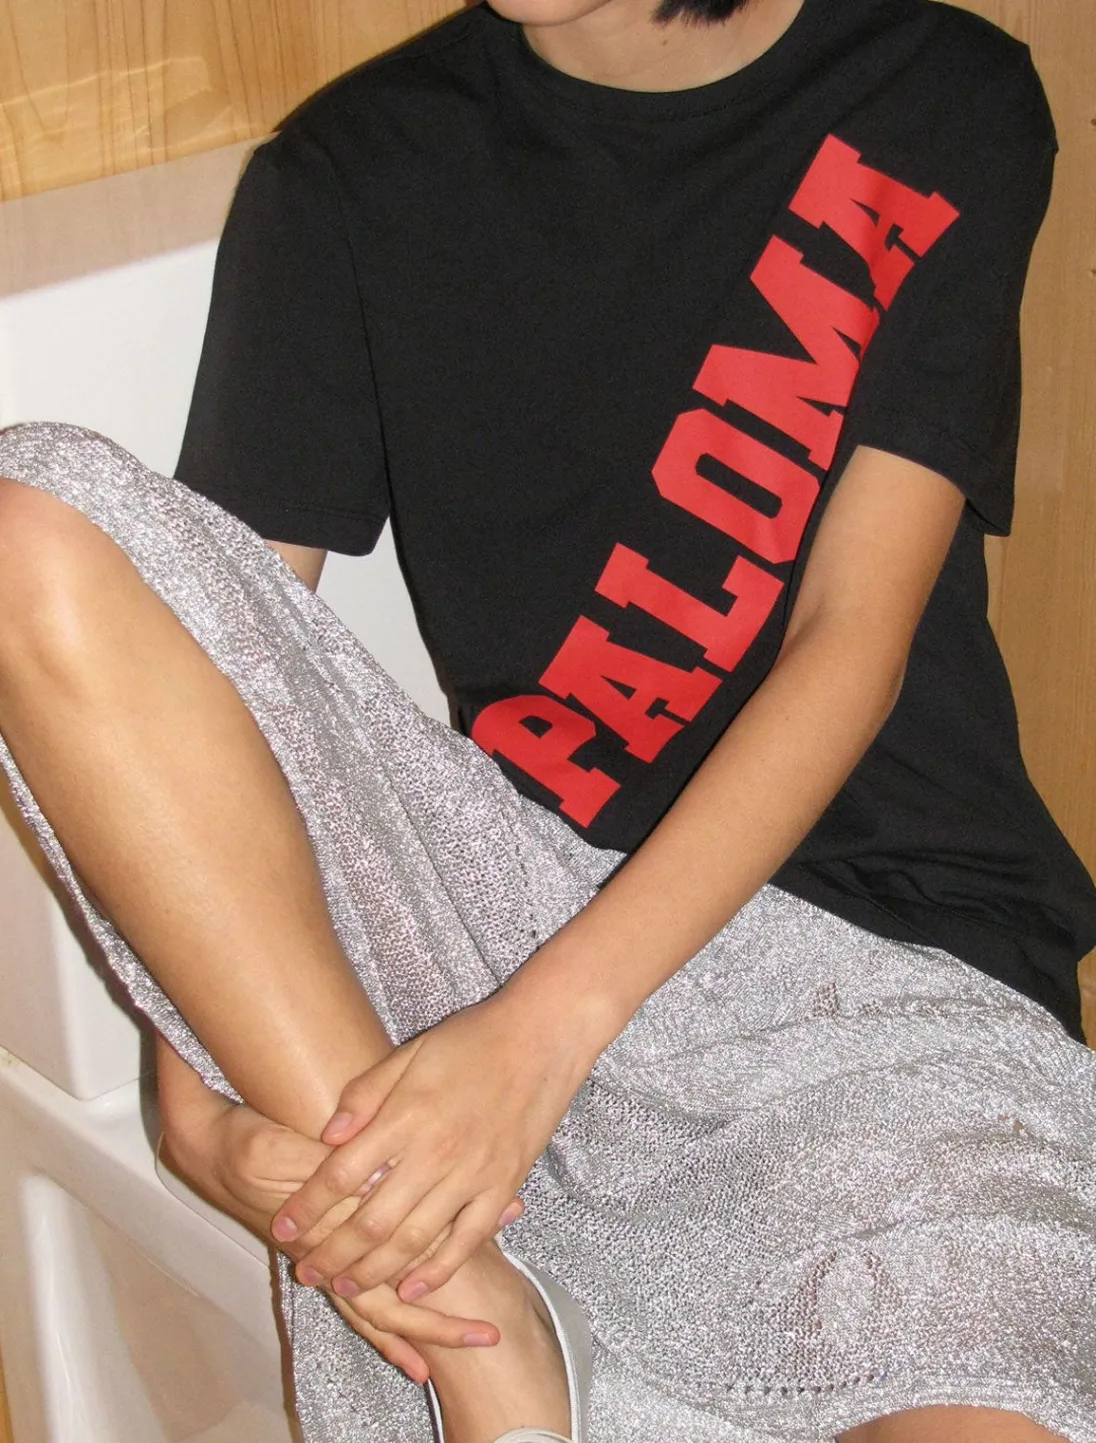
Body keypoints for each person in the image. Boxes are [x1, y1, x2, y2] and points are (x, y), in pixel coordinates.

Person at [0, 0, 1095, 1439]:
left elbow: (850, 640)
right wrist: (196, 1105)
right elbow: (215, 683)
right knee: (28, 540)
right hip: (511, 926)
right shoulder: (351, 174)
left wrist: (534, 1041)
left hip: (876, 979)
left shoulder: (934, 94)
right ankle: (489, 1345)